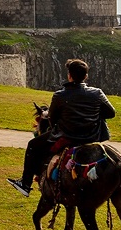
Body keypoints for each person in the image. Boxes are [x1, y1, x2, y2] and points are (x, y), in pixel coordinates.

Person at [7, 59, 115, 197]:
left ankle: (25, 184)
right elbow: (111, 113)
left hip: (68, 136)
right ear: (86, 76)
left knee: (33, 144)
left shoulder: (60, 95)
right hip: (92, 136)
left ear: (69, 75)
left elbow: (52, 118)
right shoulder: (97, 93)